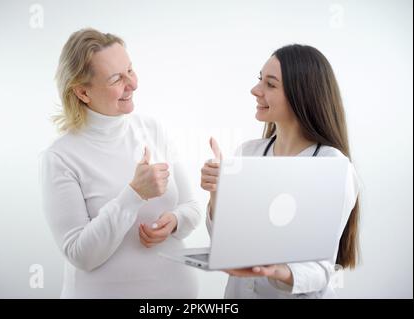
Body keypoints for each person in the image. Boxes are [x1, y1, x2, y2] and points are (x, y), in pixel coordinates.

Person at [40, 28, 201, 298]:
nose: (133, 84)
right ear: (82, 92)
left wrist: (174, 220)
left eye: (130, 70)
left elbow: (192, 208)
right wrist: (134, 194)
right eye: (117, 78)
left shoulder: (153, 129)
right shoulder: (60, 157)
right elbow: (81, 255)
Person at [201, 44, 360, 298]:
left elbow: (321, 270)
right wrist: (216, 192)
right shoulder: (247, 153)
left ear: (302, 95)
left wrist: (276, 270)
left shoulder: (333, 166)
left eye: (270, 85)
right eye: (259, 80)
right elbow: (224, 242)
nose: (255, 91)